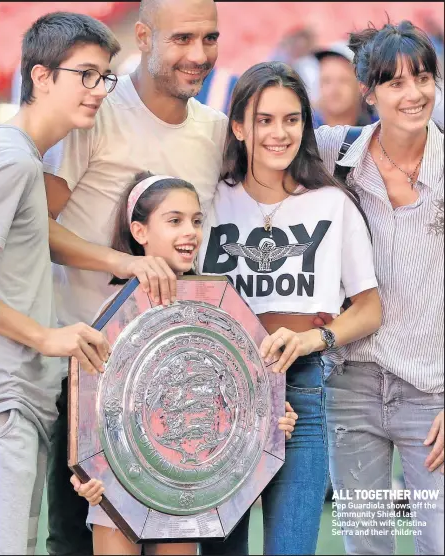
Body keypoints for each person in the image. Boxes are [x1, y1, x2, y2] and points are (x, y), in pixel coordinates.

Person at [41, 1, 237, 552]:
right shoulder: (96, 112)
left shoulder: (217, 131)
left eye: (209, 39)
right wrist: (125, 263)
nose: (198, 55)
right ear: (145, 37)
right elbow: (39, 229)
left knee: (186, 533)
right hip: (86, 373)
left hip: (176, 387)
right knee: (77, 542)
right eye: (181, 40)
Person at [196, 61, 382, 555]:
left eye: (292, 119)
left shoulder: (330, 203)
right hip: (218, 395)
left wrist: (310, 339)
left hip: (302, 387)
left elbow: (368, 308)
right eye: (264, 120)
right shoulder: (210, 201)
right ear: (238, 126)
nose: (280, 133)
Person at [68, 171, 299, 555]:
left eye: (195, 220)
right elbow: (89, 411)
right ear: (139, 231)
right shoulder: (115, 314)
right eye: (174, 221)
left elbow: (242, 394)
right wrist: (84, 475)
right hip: (118, 487)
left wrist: (272, 420)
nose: (190, 231)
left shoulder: (219, 308)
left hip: (187, 488)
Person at [314, 20, 444, 554]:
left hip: (432, 393)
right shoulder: (332, 156)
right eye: (394, 82)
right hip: (351, 386)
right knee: (367, 547)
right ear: (368, 92)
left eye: (424, 78)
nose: (413, 94)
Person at [0, 12, 118, 555]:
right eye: (85, 74)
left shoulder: (24, 158)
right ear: (41, 76)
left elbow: (36, 243)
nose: (98, 90)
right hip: (7, 396)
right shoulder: (11, 161)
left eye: (104, 77)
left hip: (23, 397)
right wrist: (47, 337)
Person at [312, 42, 377, 128]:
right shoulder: (303, 132)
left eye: (343, 81)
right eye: (326, 81)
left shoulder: (379, 131)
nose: (334, 90)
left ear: (361, 86)